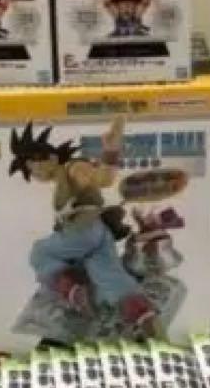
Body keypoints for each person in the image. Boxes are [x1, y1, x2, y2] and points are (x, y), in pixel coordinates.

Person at [9, 119, 159, 336]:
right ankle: (143, 315)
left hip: (84, 232)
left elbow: (103, 179)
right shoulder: (64, 180)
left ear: (51, 158)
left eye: (32, 167)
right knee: (109, 275)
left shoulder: (73, 168)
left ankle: (72, 290)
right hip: (98, 234)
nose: (34, 175)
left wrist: (111, 150)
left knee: (40, 252)